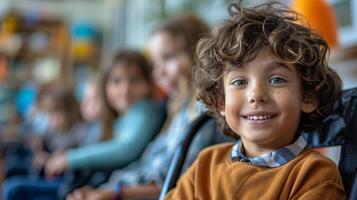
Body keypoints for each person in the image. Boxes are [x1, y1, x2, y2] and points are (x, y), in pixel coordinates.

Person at [165, 3, 346, 200]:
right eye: (240, 81)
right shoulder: (205, 164)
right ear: (220, 101)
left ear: (308, 97)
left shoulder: (314, 175)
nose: (256, 94)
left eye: (276, 80)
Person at [66, 14, 215, 200]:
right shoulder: (180, 110)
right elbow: (150, 167)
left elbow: (180, 185)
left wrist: (114, 194)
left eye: (168, 57)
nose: (159, 73)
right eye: (154, 64)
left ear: (199, 53)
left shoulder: (204, 115)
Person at [2, 51, 164, 200]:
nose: (125, 89)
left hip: (116, 188)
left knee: (15, 188)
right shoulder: (122, 118)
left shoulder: (144, 109)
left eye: (134, 80)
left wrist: (69, 158)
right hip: (101, 185)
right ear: (106, 86)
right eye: (116, 81)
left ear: (149, 83)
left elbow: (125, 149)